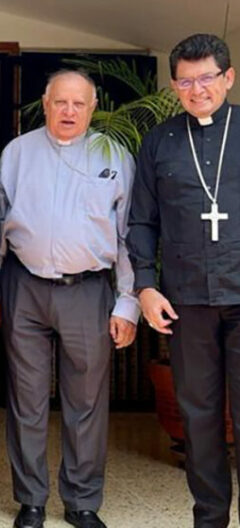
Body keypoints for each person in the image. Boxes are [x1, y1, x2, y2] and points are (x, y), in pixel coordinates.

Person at [0, 70, 138, 528]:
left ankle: (82, 501)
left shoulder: (114, 155)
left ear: (93, 108)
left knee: (86, 401)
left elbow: (129, 235)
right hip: (25, 287)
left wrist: (128, 302)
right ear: (46, 104)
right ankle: (31, 500)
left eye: (78, 103)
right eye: (60, 102)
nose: (68, 111)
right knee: (26, 399)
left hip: (88, 291)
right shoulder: (17, 153)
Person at [127, 33, 240, 528]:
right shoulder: (159, 141)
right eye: (186, 82)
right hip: (186, 301)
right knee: (199, 418)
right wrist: (145, 286)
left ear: (228, 78)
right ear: (174, 86)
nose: (198, 90)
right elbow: (141, 221)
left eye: (207, 78)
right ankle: (209, 519)